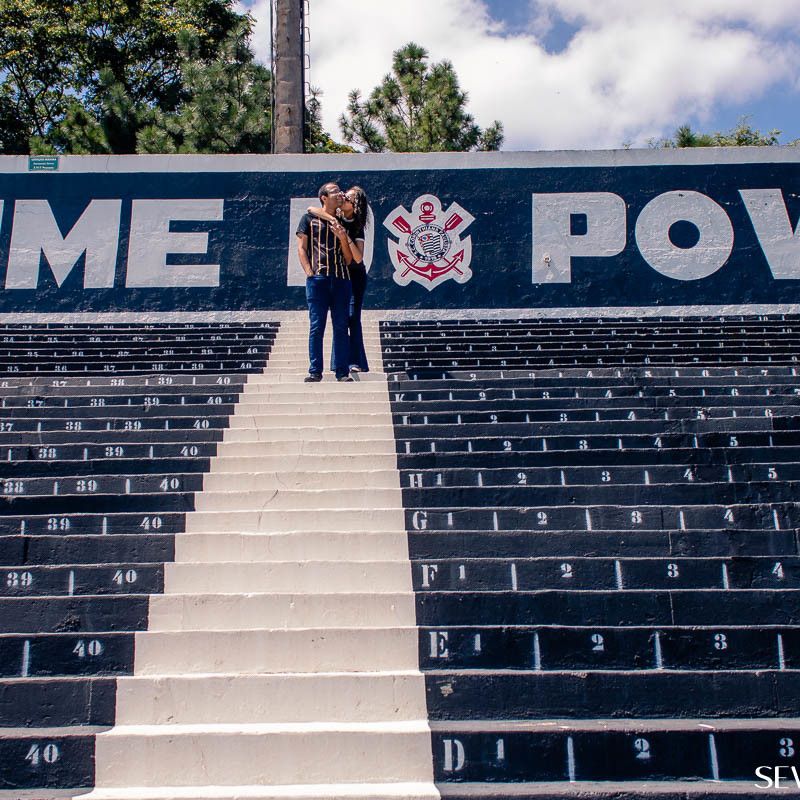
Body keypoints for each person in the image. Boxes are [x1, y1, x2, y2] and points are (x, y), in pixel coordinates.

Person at [306, 186, 370, 374]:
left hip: (355, 274)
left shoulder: (356, 225)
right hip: (337, 274)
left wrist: (345, 236)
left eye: (347, 198)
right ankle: (338, 363)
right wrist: (333, 219)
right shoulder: (336, 217)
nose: (342, 198)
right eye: (342, 195)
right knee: (340, 319)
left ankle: (355, 361)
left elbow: (358, 258)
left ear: (355, 204)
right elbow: (311, 209)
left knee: (351, 317)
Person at [296, 182, 354, 382]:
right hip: (318, 280)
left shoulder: (343, 222)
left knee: (340, 326)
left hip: (341, 279)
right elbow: (301, 247)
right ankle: (315, 371)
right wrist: (309, 272)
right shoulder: (309, 219)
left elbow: (348, 259)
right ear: (324, 197)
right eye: (334, 191)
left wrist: (343, 238)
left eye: (339, 191)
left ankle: (342, 372)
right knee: (316, 326)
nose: (339, 194)